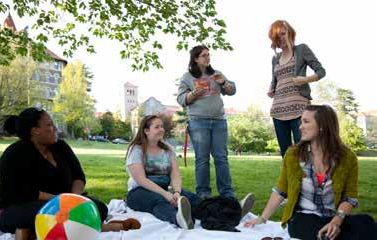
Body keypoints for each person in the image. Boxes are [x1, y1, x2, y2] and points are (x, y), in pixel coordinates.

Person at [0, 107, 140, 238]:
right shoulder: (14, 155)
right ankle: (101, 227)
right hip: (18, 207)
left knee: (99, 207)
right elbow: (22, 193)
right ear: (35, 130)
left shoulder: (60, 147)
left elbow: (78, 176)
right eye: (50, 125)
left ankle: (36, 232)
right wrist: (62, 201)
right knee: (52, 214)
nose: (56, 128)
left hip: (64, 203)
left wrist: (75, 200)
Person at [244, 105, 377, 240]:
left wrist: (336, 222)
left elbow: (350, 197)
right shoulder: (293, 154)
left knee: (366, 222)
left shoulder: (348, 157)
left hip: (335, 218)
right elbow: (281, 190)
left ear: (322, 126)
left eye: (306, 122)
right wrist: (262, 218)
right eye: (301, 122)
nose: (300, 127)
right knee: (318, 230)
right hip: (303, 219)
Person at [125, 115, 255, 230]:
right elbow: (141, 180)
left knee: (195, 200)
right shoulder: (136, 149)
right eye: (157, 127)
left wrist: (176, 192)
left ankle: (233, 212)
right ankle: (179, 219)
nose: (161, 129)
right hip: (139, 192)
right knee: (159, 202)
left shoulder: (167, 149)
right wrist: (166, 195)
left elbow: (175, 174)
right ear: (146, 131)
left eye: (162, 126)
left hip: (165, 188)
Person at [176, 45, 237, 199]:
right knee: (202, 159)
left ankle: (227, 194)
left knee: (221, 158)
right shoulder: (187, 77)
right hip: (198, 122)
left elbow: (232, 90)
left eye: (209, 55)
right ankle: (203, 194)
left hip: (219, 122)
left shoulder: (216, 74)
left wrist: (223, 82)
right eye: (204, 55)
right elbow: (181, 99)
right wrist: (193, 94)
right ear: (196, 59)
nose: (208, 57)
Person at [267, 20, 326, 157]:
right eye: (277, 36)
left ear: (290, 33)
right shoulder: (275, 58)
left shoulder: (301, 50)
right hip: (278, 111)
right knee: (287, 156)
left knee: (304, 153)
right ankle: (290, 179)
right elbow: (275, 81)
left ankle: (307, 179)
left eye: (283, 34)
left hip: (300, 110)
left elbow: (321, 71)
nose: (281, 38)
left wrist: (305, 79)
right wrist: (271, 89)